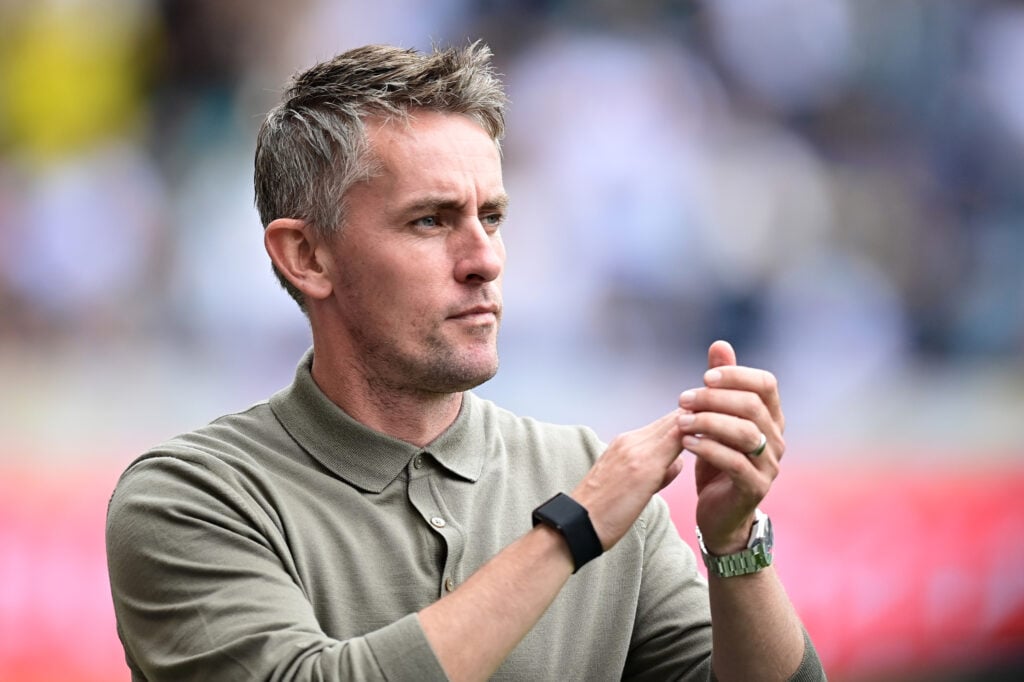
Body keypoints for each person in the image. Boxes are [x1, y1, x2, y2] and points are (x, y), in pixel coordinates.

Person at [106, 42, 826, 682]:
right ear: (307, 256)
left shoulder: (586, 471)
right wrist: (572, 531)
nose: (485, 259)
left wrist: (735, 546)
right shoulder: (190, 497)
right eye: (431, 220)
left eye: (492, 217)